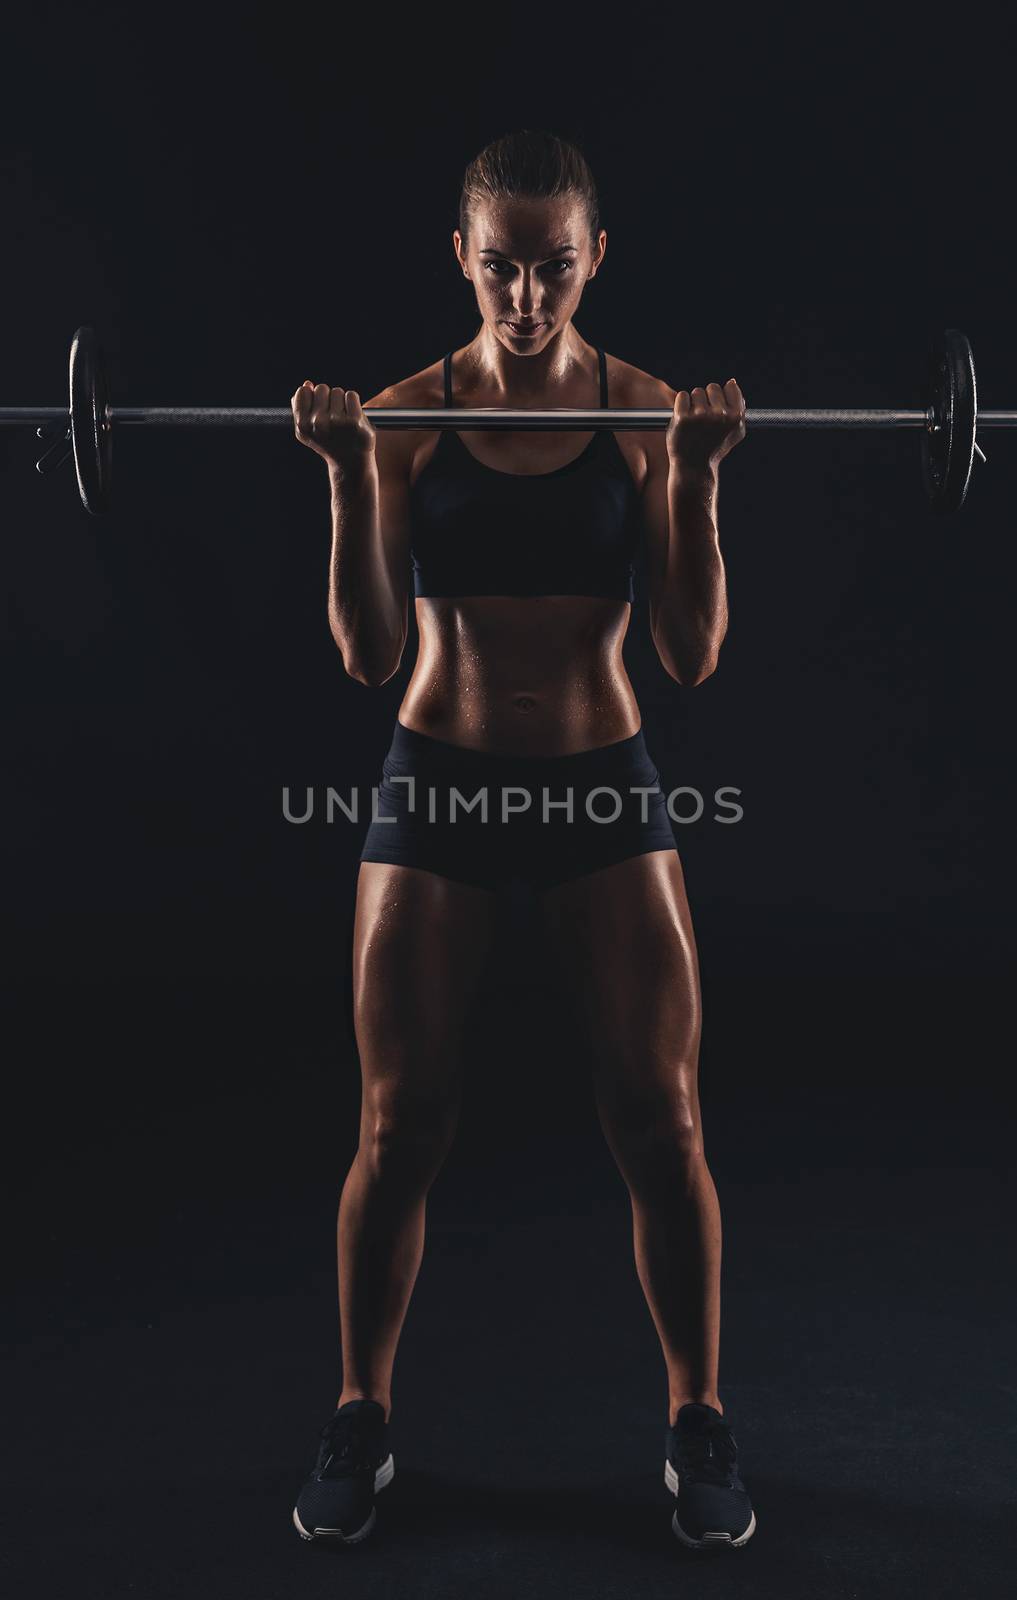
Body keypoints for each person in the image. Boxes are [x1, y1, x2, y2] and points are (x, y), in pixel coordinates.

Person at [289, 127, 754, 1552]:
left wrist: (701, 481)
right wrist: (341, 477)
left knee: (662, 1120)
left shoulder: (646, 412)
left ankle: (696, 1423)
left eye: (556, 269)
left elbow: (688, 653)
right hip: (438, 781)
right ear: (461, 255)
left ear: (593, 257)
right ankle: (361, 1415)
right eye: (501, 268)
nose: (528, 301)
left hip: (601, 788)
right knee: (396, 1123)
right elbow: (369, 653)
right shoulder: (403, 415)